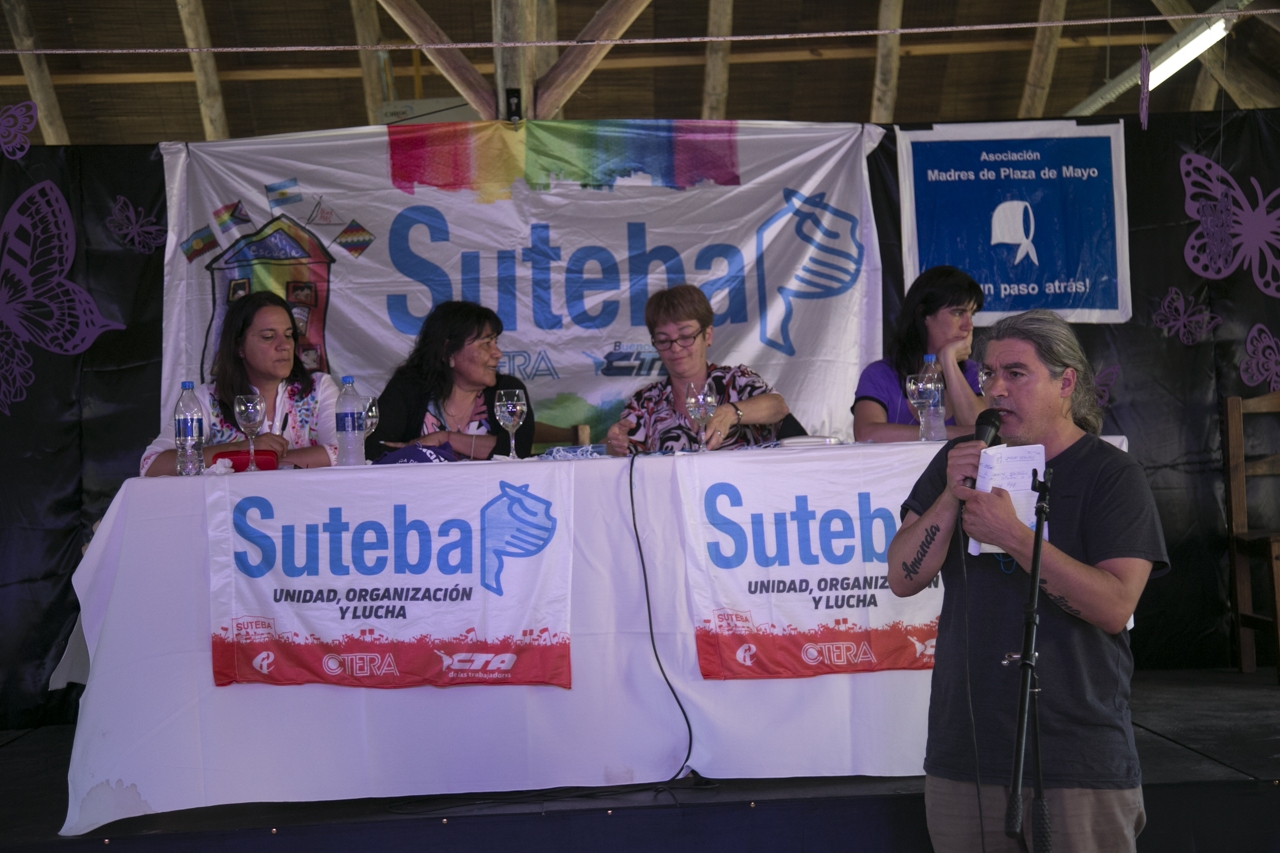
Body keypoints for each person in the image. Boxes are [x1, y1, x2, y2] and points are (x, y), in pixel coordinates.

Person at [887, 310, 1167, 853]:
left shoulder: (1111, 475)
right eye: (988, 374)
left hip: (1076, 758)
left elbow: (1115, 606)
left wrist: (1014, 537)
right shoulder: (958, 460)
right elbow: (902, 576)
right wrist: (951, 495)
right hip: (965, 754)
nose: (995, 389)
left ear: (1066, 382)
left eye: (1016, 373)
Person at [141, 291, 339, 475]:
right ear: (239, 347)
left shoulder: (318, 389)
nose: (284, 345)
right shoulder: (208, 400)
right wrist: (240, 449)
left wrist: (262, 459)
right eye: (269, 337)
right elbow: (151, 464)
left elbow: (345, 452)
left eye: (288, 335)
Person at [606, 285, 790, 455]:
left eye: (686, 336)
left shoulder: (736, 380)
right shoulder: (645, 402)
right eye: (663, 340)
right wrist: (614, 444)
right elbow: (614, 451)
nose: (675, 348)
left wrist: (731, 412)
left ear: (707, 336)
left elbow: (778, 406)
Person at [366, 301, 533, 461]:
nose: (498, 353)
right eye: (486, 343)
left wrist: (444, 439)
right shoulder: (409, 387)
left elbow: (517, 449)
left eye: (495, 342)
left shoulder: (507, 391)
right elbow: (372, 448)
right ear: (448, 351)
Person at [853, 265, 988, 442]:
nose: (968, 326)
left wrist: (948, 360)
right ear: (924, 314)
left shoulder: (976, 373)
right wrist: (939, 434)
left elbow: (982, 436)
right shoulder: (880, 374)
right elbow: (866, 434)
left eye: (972, 314)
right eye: (958, 313)